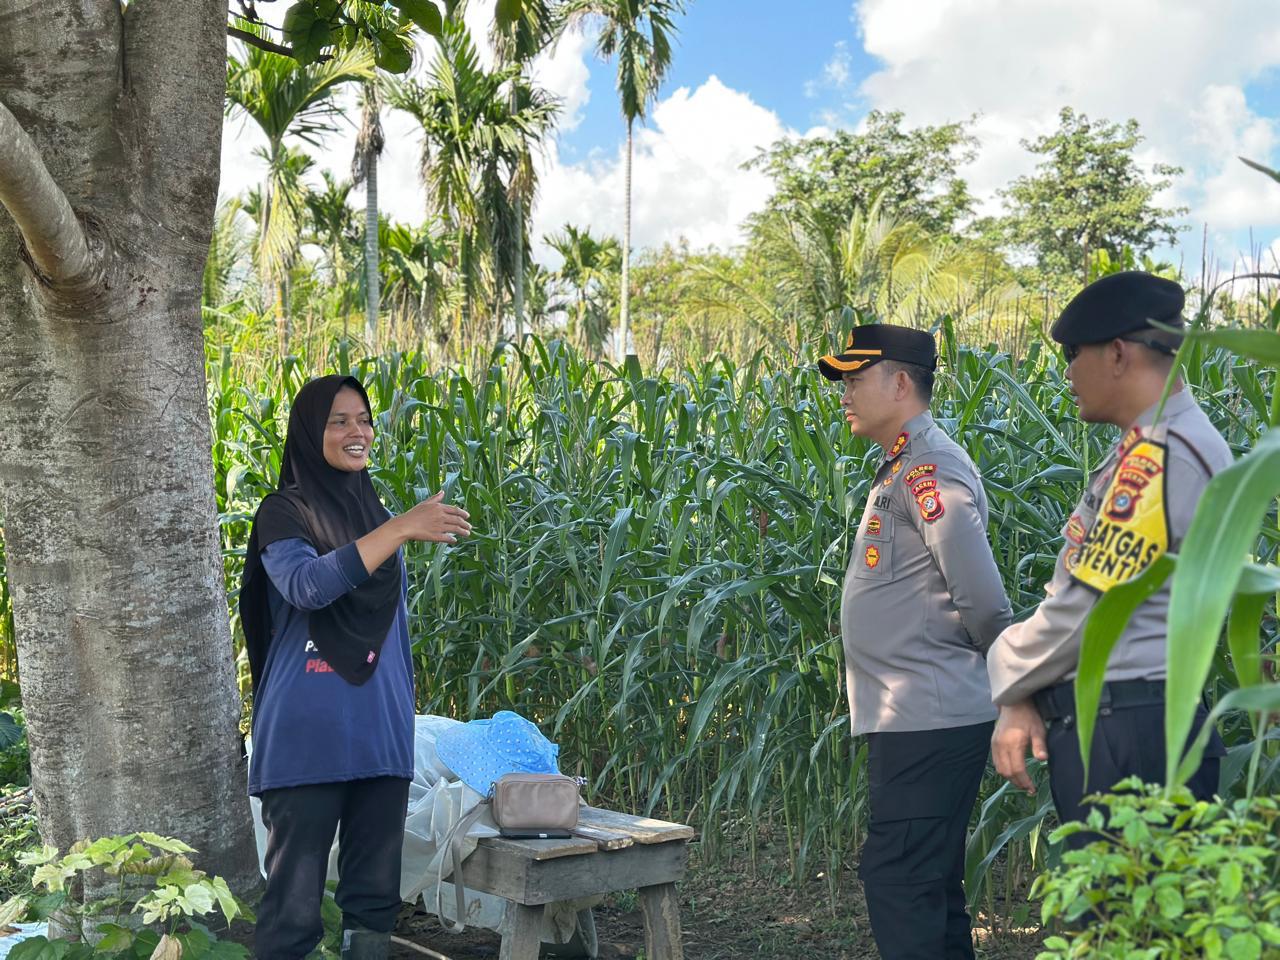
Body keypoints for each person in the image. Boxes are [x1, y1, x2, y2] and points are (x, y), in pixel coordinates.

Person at [987, 271, 1231, 843]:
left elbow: (1091, 606)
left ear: (1118, 353)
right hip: (1130, 722)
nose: (1068, 373)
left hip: (1129, 733)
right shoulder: (1159, 445)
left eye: (1074, 354)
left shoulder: (1162, 455)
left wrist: (1006, 669)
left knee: (1118, 926)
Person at [239, 374, 472, 960]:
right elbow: (306, 586)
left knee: (373, 903)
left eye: (364, 419)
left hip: (378, 734)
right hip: (307, 736)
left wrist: (400, 719)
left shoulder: (376, 514)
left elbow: (393, 633)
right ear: (309, 430)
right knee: (294, 911)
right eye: (339, 420)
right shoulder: (283, 512)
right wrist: (398, 529)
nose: (357, 431)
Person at [819, 325, 1013, 960]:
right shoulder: (903, 465)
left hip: (928, 719)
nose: (844, 393)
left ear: (900, 382)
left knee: (900, 882)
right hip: (916, 718)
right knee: (927, 888)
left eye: (856, 379)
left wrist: (1013, 681)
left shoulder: (930, 470)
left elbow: (982, 599)